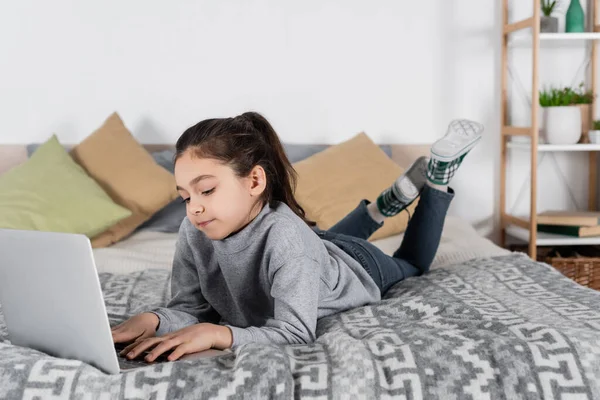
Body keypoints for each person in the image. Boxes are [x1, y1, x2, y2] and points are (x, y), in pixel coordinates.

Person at [111, 113, 483, 363]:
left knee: (413, 263)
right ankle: (383, 206)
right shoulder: (195, 230)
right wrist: (154, 319)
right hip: (318, 248)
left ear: (255, 181)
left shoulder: (286, 238)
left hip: (358, 265)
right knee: (319, 244)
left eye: (206, 190)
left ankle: (436, 177)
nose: (193, 208)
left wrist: (219, 334)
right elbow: (191, 308)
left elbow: (293, 332)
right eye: (185, 197)